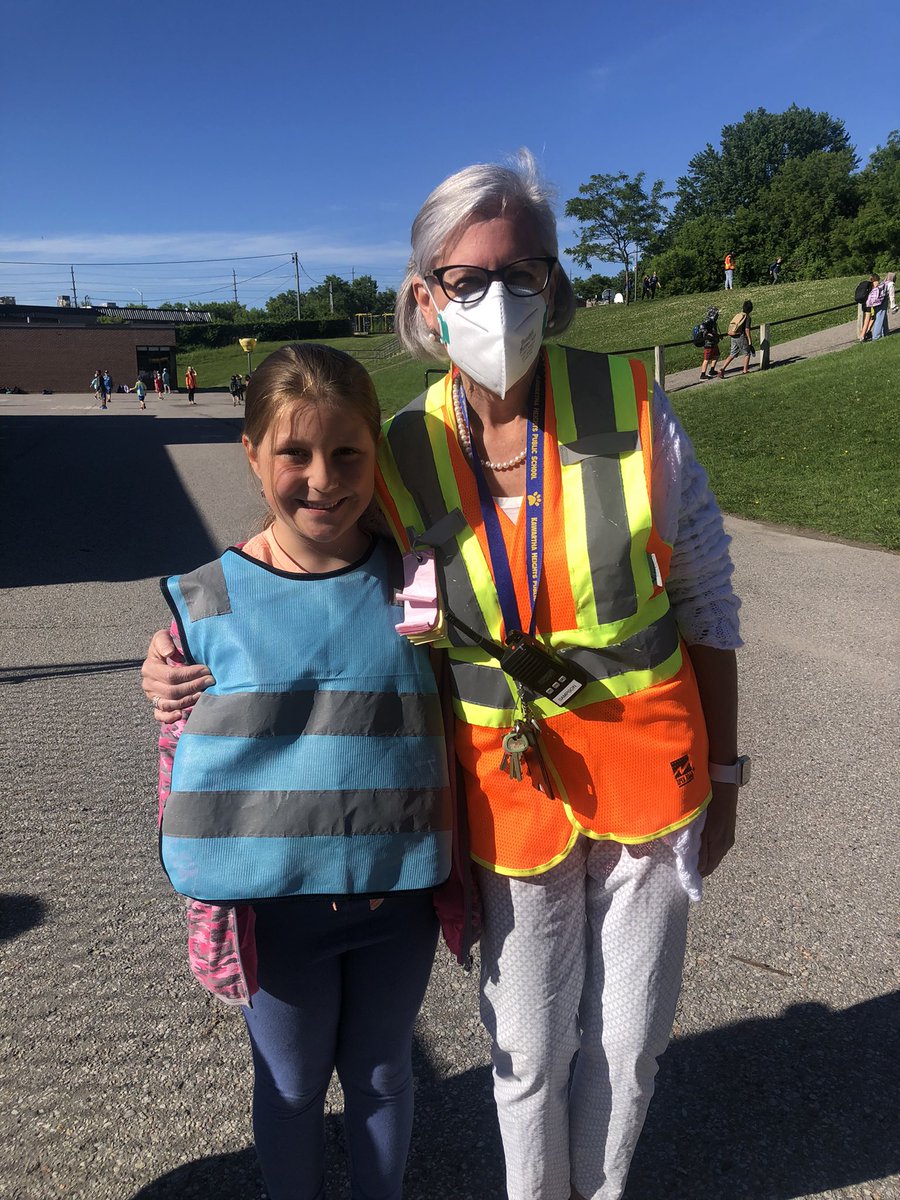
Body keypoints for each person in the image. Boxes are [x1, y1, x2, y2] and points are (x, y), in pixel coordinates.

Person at [141, 152, 744, 1200]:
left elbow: (709, 600)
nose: (499, 299)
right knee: (524, 1049)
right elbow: (310, 549)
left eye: (524, 271)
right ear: (425, 296)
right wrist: (184, 635)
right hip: (504, 790)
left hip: (650, 772)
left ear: (554, 280)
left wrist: (728, 776)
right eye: (468, 278)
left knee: (627, 1039)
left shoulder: (632, 404)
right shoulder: (402, 444)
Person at [153, 343, 456, 1200]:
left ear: (375, 453)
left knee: (384, 1074)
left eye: (347, 452)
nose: (323, 479)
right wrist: (158, 676)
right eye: (295, 453)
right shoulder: (205, 601)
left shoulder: (417, 583)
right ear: (252, 454)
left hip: (396, 898)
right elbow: (185, 745)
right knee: (289, 1087)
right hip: (274, 909)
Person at [718, 300, 755, 377]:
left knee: (732, 354)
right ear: (751, 309)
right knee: (747, 353)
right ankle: (745, 370)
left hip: (733, 336)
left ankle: (722, 369)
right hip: (740, 336)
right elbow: (747, 329)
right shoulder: (747, 317)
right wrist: (749, 340)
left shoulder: (739, 315)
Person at [698, 306, 722, 380]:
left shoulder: (713, 321)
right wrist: (707, 334)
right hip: (708, 343)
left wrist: (717, 336)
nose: (717, 315)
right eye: (716, 314)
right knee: (706, 359)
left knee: (717, 355)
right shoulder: (707, 320)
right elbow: (702, 327)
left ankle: (712, 370)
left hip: (714, 342)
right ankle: (703, 375)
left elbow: (714, 330)